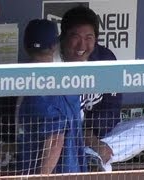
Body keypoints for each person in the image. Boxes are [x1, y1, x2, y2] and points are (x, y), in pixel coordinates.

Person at [59, 6, 144, 171]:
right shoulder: (52, 63)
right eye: (75, 37)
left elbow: (111, 108)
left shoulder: (105, 59)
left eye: (89, 37)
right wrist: (88, 138)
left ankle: (92, 156)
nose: (82, 44)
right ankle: (93, 156)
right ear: (63, 38)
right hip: (62, 139)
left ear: (96, 39)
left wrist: (94, 137)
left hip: (96, 135)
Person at [16, 19, 87, 174]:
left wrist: (41, 177)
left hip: (53, 173)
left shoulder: (32, 88)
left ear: (25, 46)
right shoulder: (69, 83)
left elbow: (55, 139)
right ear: (54, 45)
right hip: (75, 171)